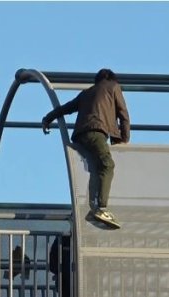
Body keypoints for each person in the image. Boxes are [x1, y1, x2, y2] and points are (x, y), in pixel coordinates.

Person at [42, 68, 130, 225]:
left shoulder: (87, 93)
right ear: (111, 79)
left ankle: (92, 208)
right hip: (96, 132)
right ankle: (101, 208)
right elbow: (123, 114)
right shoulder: (113, 87)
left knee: (96, 169)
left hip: (79, 136)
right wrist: (124, 139)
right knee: (107, 165)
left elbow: (66, 108)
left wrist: (48, 118)